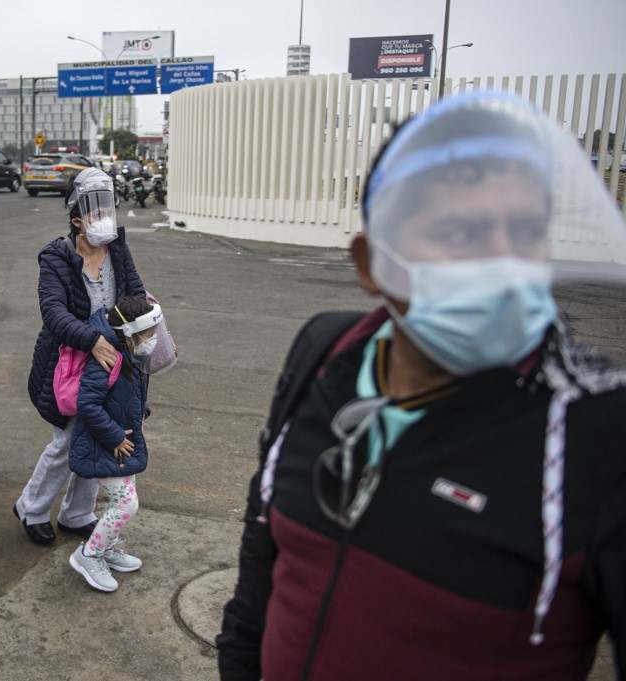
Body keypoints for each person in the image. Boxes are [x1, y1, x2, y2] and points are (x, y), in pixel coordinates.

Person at [217, 92, 626, 681]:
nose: (502, 264)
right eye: (461, 235)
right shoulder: (324, 355)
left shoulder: (599, 432)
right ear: (371, 265)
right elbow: (262, 560)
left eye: (526, 231)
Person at [16, 167, 146, 545]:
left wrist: (137, 318)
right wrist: (92, 340)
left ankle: (76, 514)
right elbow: (54, 314)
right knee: (66, 441)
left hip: (113, 361)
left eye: (107, 208)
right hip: (68, 363)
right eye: (95, 211)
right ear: (76, 219)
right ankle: (31, 508)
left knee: (97, 437)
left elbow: (134, 293)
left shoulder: (117, 248)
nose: (103, 217)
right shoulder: (56, 258)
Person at [67, 293, 158, 592]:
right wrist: (115, 436)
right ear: (130, 334)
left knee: (124, 500)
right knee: (126, 504)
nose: (152, 341)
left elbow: (128, 396)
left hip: (120, 444)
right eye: (148, 335)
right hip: (103, 444)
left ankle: (105, 547)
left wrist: (140, 414)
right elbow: (88, 405)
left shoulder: (132, 355)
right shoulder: (108, 360)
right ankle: (89, 554)